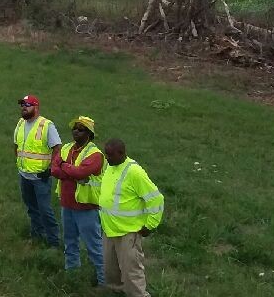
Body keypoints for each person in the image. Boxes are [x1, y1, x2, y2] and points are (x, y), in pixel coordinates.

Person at [99, 139, 164, 297]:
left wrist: (150, 225)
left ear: (121, 153)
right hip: (109, 230)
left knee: (131, 273)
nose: (106, 158)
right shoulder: (109, 166)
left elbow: (156, 199)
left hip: (128, 233)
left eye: (110, 155)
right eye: (105, 154)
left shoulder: (134, 172)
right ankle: (118, 292)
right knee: (111, 271)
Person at [51, 116, 105, 286]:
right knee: (70, 243)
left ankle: (104, 281)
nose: (75, 131)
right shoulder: (66, 148)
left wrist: (64, 167)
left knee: (95, 247)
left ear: (89, 134)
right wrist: (71, 171)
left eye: (80, 129)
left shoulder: (95, 154)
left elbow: (82, 173)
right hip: (67, 205)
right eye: (74, 128)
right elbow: (53, 169)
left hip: (86, 207)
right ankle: (72, 275)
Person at [12, 94, 61, 247]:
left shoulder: (46, 125)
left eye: (27, 105)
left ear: (36, 107)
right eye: (22, 105)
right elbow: (16, 145)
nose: (24, 108)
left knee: (45, 211)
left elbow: (57, 148)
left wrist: (51, 169)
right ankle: (37, 235)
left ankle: (54, 241)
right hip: (24, 175)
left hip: (40, 178)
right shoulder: (20, 123)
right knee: (31, 208)